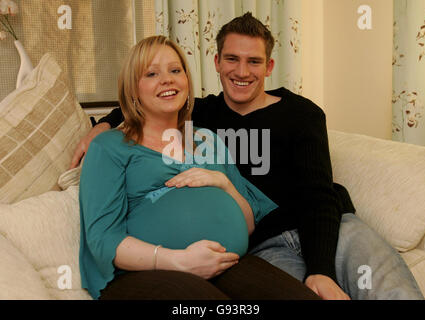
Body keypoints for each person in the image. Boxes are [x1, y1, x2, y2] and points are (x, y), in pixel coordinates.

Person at [74, 14, 424, 300]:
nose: (242, 72)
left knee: (389, 289)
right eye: (232, 59)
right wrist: (100, 125)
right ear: (216, 62)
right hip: (263, 246)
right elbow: (153, 100)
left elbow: (317, 195)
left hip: (327, 226)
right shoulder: (203, 113)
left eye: (253, 61)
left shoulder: (301, 115)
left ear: (269, 66)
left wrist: (321, 270)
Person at [79, 35, 320, 300]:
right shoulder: (110, 146)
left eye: (175, 70)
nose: (167, 79)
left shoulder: (206, 139)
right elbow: (102, 240)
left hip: (228, 263)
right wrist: (178, 260)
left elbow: (249, 223)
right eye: (151, 73)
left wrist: (222, 182)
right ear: (133, 88)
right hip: (147, 272)